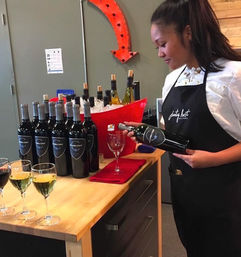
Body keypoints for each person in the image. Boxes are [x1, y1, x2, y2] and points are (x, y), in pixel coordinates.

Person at [126, 0, 241, 256]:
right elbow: (177, 138)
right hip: (186, 198)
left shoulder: (233, 75)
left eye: (163, 44)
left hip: (226, 202)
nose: (159, 54)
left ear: (188, 32)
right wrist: (147, 132)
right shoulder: (171, 80)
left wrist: (214, 159)